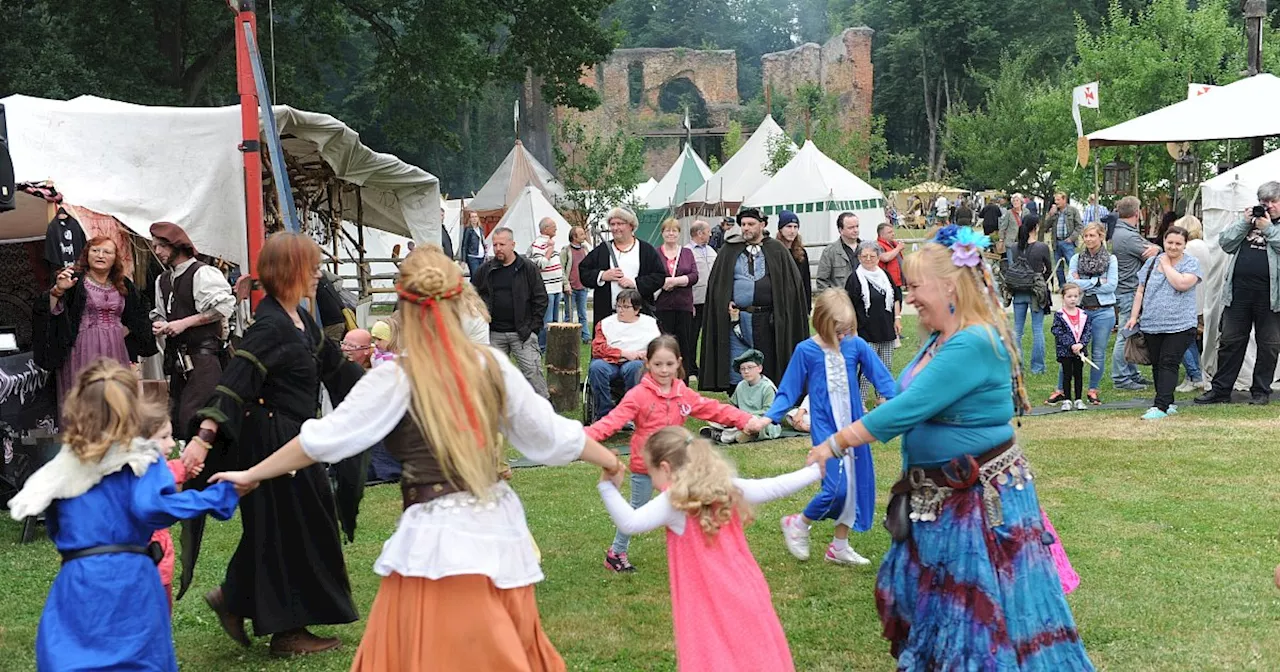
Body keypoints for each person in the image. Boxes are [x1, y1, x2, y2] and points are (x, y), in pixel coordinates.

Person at [210, 246, 625, 671]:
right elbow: (553, 436)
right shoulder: (491, 366)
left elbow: (324, 439)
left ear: (403, 307)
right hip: (496, 532)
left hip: (435, 541)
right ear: (460, 299)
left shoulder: (398, 376)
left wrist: (253, 473)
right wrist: (608, 461)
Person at [805, 229, 1093, 669]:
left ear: (950, 286)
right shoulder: (941, 338)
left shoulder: (973, 341)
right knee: (941, 614)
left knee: (975, 622)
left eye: (916, 286)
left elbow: (910, 406)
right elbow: (905, 396)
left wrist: (836, 441)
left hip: (977, 505)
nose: (910, 294)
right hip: (938, 501)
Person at [187, 232, 366, 655]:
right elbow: (232, 386)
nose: (319, 271)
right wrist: (203, 437)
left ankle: (233, 598)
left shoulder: (299, 321)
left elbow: (338, 371)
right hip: (271, 440)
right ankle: (287, 633)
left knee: (286, 525)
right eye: (312, 265)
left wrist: (389, 391)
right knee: (293, 527)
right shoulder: (269, 326)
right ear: (290, 272)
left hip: (295, 437)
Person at [8, 359, 239, 671]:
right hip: (129, 579)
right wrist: (222, 495)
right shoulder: (140, 459)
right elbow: (152, 507)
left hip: (78, 579)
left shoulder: (63, 467)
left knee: (72, 659)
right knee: (139, 659)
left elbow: (54, 524)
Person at [596, 427, 819, 671]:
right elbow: (774, 486)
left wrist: (608, 487)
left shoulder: (675, 501)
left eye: (651, 473)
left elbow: (630, 522)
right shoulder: (724, 487)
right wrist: (816, 470)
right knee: (753, 656)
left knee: (714, 657)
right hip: (747, 590)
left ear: (666, 469)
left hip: (708, 603)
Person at [587, 335, 770, 572]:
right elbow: (612, 421)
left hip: (678, 467)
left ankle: (696, 552)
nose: (664, 370)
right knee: (635, 512)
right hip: (646, 467)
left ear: (679, 363)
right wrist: (581, 438)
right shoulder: (638, 396)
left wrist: (745, 419)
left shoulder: (683, 394)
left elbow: (712, 409)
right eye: (658, 364)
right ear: (648, 364)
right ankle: (616, 553)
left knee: (690, 507)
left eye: (669, 364)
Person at [770, 289, 896, 567]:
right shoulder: (806, 350)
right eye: (836, 331)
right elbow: (788, 389)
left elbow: (882, 377)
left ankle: (839, 546)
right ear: (821, 323)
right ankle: (798, 523)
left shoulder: (856, 345)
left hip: (854, 429)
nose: (842, 337)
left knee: (854, 485)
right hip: (826, 430)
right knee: (837, 488)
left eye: (846, 330)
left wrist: (899, 404)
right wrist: (770, 417)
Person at [37, 235, 157, 407]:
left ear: (115, 257)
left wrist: (126, 330)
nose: (100, 255)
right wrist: (58, 290)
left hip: (116, 349)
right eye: (95, 250)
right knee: (86, 397)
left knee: (115, 399)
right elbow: (48, 312)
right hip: (82, 348)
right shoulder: (73, 280)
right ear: (87, 254)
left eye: (107, 252)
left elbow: (140, 313)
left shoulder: (123, 284)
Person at [700, 208, 809, 390]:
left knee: (767, 363)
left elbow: (791, 287)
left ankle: (768, 403)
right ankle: (740, 401)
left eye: (751, 224)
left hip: (768, 320)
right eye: (743, 225)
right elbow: (718, 285)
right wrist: (723, 301)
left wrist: (780, 306)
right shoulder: (729, 250)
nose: (746, 228)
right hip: (737, 319)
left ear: (762, 225)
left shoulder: (776, 250)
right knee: (739, 362)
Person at [148, 222, 235, 443]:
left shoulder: (203, 273)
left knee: (194, 417)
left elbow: (222, 308)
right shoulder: (163, 280)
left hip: (203, 359)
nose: (157, 252)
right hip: (179, 363)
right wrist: (161, 325)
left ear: (178, 245)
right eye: (155, 246)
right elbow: (161, 313)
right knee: (178, 421)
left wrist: (184, 323)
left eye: (162, 246)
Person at [1197, 184, 1280, 406]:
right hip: (1238, 294)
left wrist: (1269, 228)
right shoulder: (1247, 223)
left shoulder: (1274, 226)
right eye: (1264, 202)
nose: (1268, 206)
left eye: (1273, 201)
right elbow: (1225, 243)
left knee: (1269, 346)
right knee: (1230, 342)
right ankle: (1221, 390)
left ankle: (1261, 392)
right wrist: (1245, 222)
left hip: (1271, 297)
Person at [1125, 226, 1202, 420]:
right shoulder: (1150, 263)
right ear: (1163, 242)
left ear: (1185, 245)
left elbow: (1182, 284)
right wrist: (1134, 317)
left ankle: (1160, 405)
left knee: (1169, 362)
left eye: (1178, 243)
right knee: (1158, 364)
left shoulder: (1191, 263)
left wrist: (1167, 265)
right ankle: (1167, 402)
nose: (1173, 247)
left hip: (1181, 324)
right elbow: (1140, 291)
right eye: (1170, 242)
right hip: (1152, 323)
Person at [472, 227, 550, 398]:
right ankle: (497, 414)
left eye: (502, 244)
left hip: (522, 333)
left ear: (512, 244)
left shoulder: (527, 268)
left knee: (533, 374)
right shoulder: (486, 270)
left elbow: (541, 298)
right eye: (495, 245)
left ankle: (546, 410)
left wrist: (533, 328)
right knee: (494, 376)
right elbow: (471, 294)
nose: (498, 248)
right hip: (493, 333)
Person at [139, 396, 199, 613]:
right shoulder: (138, 475)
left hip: (159, 557)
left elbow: (172, 470)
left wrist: (187, 466)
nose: (172, 444)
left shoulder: (158, 468)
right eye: (164, 437)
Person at [1052, 223, 1117, 406]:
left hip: (1103, 311)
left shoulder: (1110, 259)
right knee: (1069, 350)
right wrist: (1097, 282)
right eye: (1086, 236)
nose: (1088, 239)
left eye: (1092, 236)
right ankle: (1061, 389)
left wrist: (1084, 283)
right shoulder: (1076, 258)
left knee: (1098, 352)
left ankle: (1092, 389)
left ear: (1101, 236)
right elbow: (1071, 283)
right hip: (1080, 311)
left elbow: (1111, 285)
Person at [578, 207, 665, 326]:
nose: (615, 228)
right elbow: (583, 271)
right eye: (612, 224)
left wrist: (635, 284)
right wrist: (602, 275)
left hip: (639, 317)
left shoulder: (646, 250)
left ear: (631, 226)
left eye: (620, 224)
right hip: (607, 316)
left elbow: (659, 276)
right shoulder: (602, 250)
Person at [1110, 196, 1161, 391]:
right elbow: (1156, 252)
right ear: (1137, 213)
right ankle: (1121, 377)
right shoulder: (1129, 237)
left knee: (1130, 333)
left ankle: (1131, 373)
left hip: (1125, 289)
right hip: (1129, 290)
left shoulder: (1120, 232)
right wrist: (1157, 247)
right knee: (1126, 333)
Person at [587, 289, 661, 421]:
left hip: (637, 361)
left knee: (634, 368)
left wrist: (645, 354)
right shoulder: (605, 324)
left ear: (637, 309)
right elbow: (597, 348)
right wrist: (623, 353)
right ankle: (604, 413)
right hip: (610, 361)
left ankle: (631, 412)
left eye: (626, 307)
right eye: (618, 306)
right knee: (597, 367)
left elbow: (658, 346)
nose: (620, 310)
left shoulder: (649, 323)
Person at [846, 243, 901, 400]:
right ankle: (860, 400)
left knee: (885, 366)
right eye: (864, 256)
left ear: (878, 257)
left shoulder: (885, 275)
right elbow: (849, 306)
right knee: (866, 368)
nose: (868, 259)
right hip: (865, 331)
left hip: (886, 328)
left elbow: (896, 297)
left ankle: (882, 397)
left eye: (872, 256)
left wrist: (897, 319)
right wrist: (853, 330)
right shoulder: (855, 279)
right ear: (859, 258)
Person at [654, 218, 699, 379]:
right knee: (663, 345)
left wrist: (676, 281)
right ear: (662, 233)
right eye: (667, 230)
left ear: (679, 234)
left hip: (683, 306)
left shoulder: (687, 253)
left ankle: (682, 381)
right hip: (662, 307)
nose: (671, 233)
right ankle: (663, 379)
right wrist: (663, 282)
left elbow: (694, 276)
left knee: (683, 346)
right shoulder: (655, 253)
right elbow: (650, 276)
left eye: (674, 230)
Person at [706, 349, 782, 444]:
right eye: (743, 369)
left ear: (759, 368)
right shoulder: (741, 385)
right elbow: (733, 405)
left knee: (752, 425)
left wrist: (747, 415)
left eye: (750, 367)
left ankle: (723, 436)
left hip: (762, 421)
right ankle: (732, 433)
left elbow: (769, 412)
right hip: (741, 419)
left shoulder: (767, 387)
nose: (746, 371)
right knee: (720, 418)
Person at [1008, 216, 1052, 374]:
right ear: (1036, 226)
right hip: (1036, 292)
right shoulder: (1042, 247)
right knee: (1037, 329)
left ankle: (1017, 366)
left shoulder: (1013, 247)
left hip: (1018, 291)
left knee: (1017, 330)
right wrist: (1041, 280)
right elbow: (1049, 268)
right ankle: (1038, 367)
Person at [1176, 215, 1210, 393]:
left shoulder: (1188, 248)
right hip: (1203, 297)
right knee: (1195, 339)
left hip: (1189, 297)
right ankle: (1194, 374)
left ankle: (1194, 375)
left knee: (1184, 338)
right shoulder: (1204, 246)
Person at [1050, 283, 1092, 411]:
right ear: (1063, 298)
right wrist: (1071, 344)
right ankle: (1067, 399)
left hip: (1080, 351)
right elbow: (1057, 330)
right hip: (1065, 351)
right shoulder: (1059, 315)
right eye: (1069, 296)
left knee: (1078, 374)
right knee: (1067, 374)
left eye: (1075, 296)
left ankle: (1078, 399)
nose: (1073, 299)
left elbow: (1087, 331)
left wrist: (1081, 344)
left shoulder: (1083, 314)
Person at [686, 220, 718, 377]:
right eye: (708, 231)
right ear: (699, 233)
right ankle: (691, 368)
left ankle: (708, 368)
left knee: (710, 335)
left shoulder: (711, 250)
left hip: (711, 301)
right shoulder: (686, 252)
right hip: (694, 301)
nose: (710, 234)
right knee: (692, 336)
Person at [530, 217, 564, 351]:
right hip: (547, 287)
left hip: (557, 286)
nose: (556, 228)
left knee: (555, 320)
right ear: (545, 229)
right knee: (547, 321)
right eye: (553, 226)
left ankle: (553, 347)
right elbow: (540, 264)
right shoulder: (538, 244)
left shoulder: (551, 242)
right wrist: (549, 250)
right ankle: (542, 347)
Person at [1042, 192, 1084, 288]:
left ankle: (1075, 285)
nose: (1056, 202)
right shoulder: (1055, 212)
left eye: (1058, 200)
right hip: (1057, 242)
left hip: (1068, 242)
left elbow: (1079, 226)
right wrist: (1051, 215)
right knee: (1058, 268)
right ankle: (1063, 287)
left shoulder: (1073, 211)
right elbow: (1045, 227)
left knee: (1072, 265)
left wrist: (1072, 238)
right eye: (1055, 200)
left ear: (1064, 200)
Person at [775, 210, 812, 313]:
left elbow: (806, 281)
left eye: (795, 227)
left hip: (798, 303)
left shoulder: (801, 253)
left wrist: (807, 307)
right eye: (789, 226)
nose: (792, 231)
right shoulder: (774, 252)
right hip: (780, 304)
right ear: (781, 229)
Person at [560, 225, 592, 343]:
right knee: (569, 314)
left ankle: (586, 337)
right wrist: (566, 284)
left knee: (582, 313)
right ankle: (568, 337)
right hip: (571, 287)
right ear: (574, 237)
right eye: (582, 234)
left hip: (582, 287)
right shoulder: (566, 251)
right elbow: (562, 269)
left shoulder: (585, 249)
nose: (584, 236)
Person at [814, 212, 860, 291]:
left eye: (857, 226)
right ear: (840, 230)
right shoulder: (830, 252)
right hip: (841, 300)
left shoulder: (866, 249)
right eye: (851, 228)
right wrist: (832, 300)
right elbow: (822, 281)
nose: (855, 230)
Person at [876, 223, 907, 304]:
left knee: (898, 307)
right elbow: (885, 258)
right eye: (889, 232)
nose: (893, 234)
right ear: (881, 234)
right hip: (886, 284)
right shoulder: (878, 246)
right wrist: (898, 248)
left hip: (897, 283)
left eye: (892, 231)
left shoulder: (893, 245)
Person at [459, 209, 487, 277]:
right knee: (475, 275)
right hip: (472, 256)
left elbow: (482, 241)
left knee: (481, 275)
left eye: (476, 216)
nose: (474, 219)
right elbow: (464, 245)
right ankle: (473, 287)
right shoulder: (468, 230)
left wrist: (485, 251)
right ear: (470, 219)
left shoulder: (480, 229)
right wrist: (463, 260)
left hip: (481, 255)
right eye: (472, 217)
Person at [997, 193, 1026, 258]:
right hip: (1011, 242)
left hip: (1023, 242)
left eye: (1017, 200)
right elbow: (1003, 227)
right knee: (1012, 264)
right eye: (1014, 201)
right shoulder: (1009, 213)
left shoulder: (1026, 212)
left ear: (1021, 202)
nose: (1015, 202)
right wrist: (1001, 240)